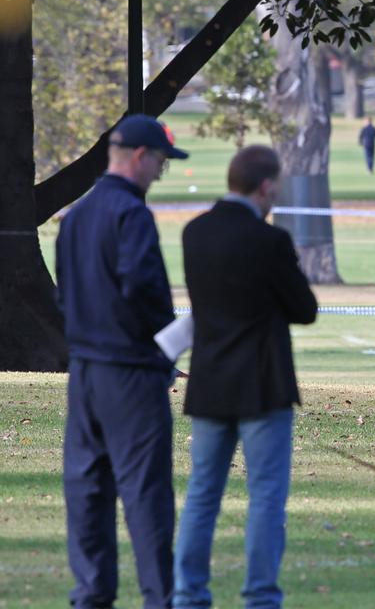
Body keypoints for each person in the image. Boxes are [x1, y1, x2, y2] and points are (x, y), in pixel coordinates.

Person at [173, 146, 318, 608]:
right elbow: (304, 309)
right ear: (266, 186)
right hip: (263, 382)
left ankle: (188, 593)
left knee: (202, 496)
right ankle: (259, 596)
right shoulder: (269, 241)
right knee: (265, 498)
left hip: (211, 379)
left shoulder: (194, 233)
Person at [56, 114, 188, 609]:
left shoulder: (76, 216)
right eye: (160, 163)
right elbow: (145, 290)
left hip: (84, 371)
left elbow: (64, 297)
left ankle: (91, 594)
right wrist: (168, 345)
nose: (159, 173)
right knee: (145, 493)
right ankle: (159, 597)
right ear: (139, 157)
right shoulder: (131, 215)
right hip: (130, 373)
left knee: (87, 490)